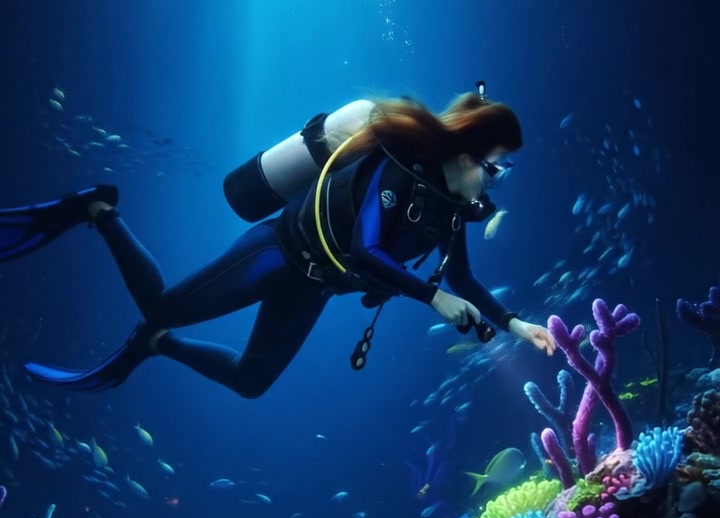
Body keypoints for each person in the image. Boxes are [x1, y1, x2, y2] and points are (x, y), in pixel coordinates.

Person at [0, 91, 555, 397]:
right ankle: (99, 209)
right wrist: (431, 300)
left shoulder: (449, 212)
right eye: (496, 169)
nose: (495, 182)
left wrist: (516, 325)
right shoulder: (398, 171)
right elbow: (365, 251)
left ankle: (155, 344)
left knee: (251, 381)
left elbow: (462, 280)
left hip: (314, 286)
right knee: (160, 304)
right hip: (277, 252)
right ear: (465, 157)